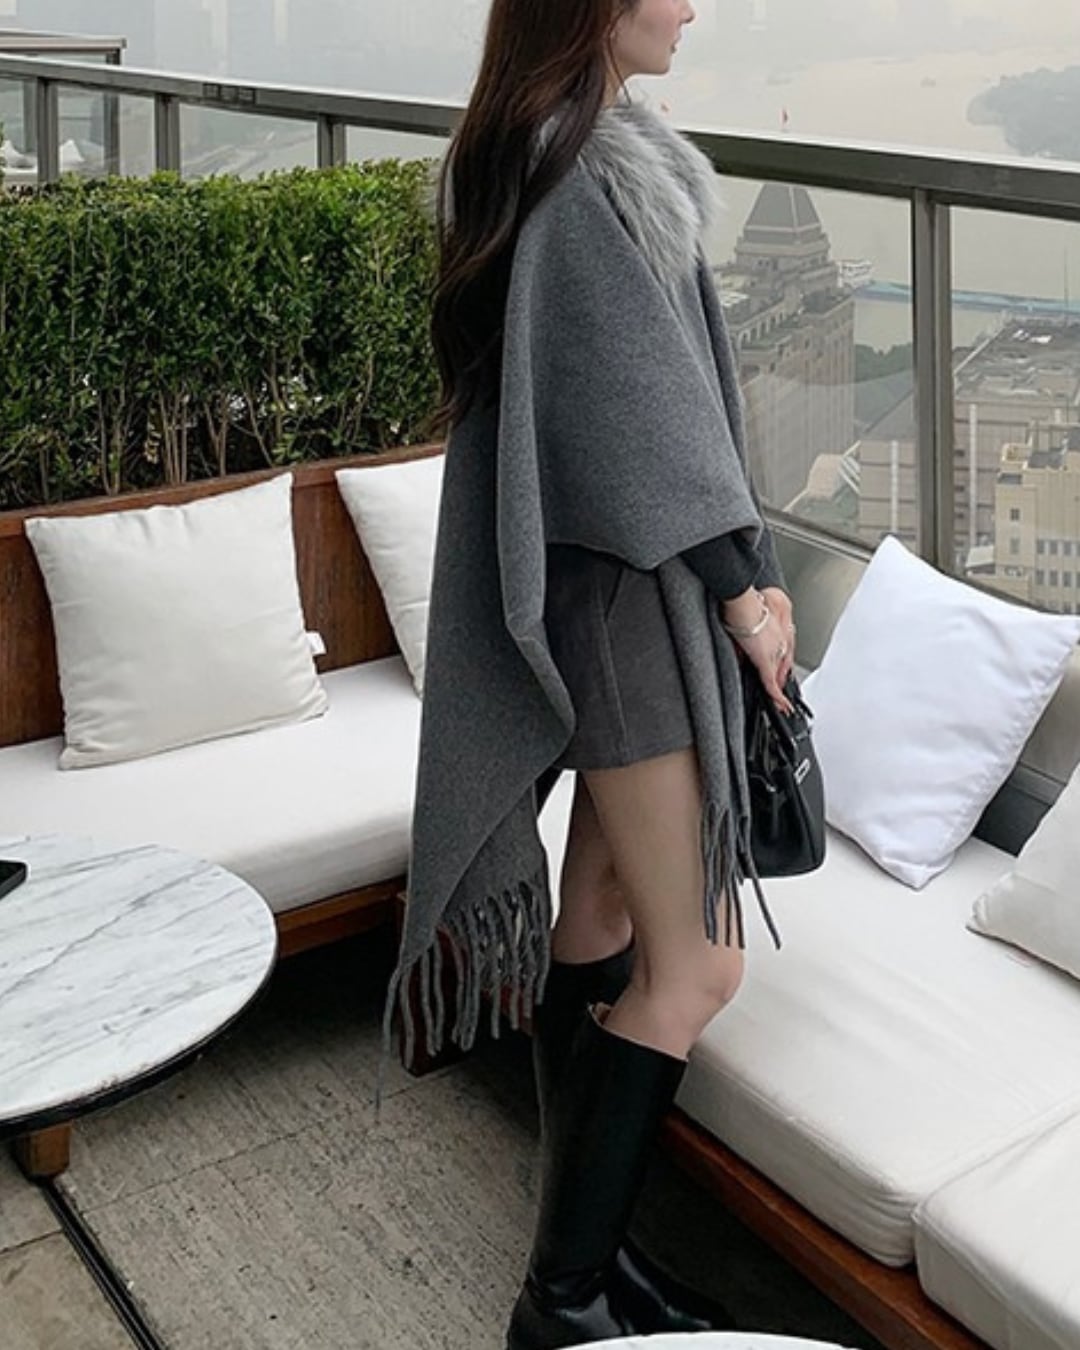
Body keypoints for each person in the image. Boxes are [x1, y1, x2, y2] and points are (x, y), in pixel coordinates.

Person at [384, 1, 797, 1346]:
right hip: (628, 610)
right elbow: (647, 426)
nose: (690, 6)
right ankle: (561, 1298)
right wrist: (746, 588)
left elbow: (640, 405)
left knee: (602, 914)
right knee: (699, 970)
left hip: (604, 594)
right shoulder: (580, 169)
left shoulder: (562, 143)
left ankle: (600, 1263)